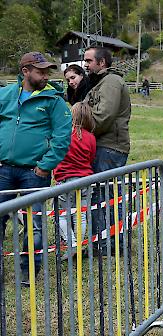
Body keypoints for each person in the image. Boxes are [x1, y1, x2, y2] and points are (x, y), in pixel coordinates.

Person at [0, 52, 72, 283]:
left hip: (34, 173)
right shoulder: (6, 95)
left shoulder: (54, 100)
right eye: (40, 71)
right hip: (3, 170)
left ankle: (29, 270)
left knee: (35, 223)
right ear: (25, 72)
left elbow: (63, 137)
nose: (45, 76)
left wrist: (45, 166)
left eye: (46, 71)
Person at [83, 46, 131, 253]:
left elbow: (103, 117)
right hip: (101, 146)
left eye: (89, 61)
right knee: (99, 197)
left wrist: (79, 129)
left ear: (102, 63)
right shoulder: (100, 83)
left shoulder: (110, 82)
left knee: (108, 197)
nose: (85, 65)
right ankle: (102, 242)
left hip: (109, 147)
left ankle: (111, 244)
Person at [53, 102, 96, 259]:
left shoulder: (64, 134)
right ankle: (78, 244)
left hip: (65, 180)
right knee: (81, 215)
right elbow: (91, 158)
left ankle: (71, 244)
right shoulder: (91, 138)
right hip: (85, 180)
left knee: (62, 215)